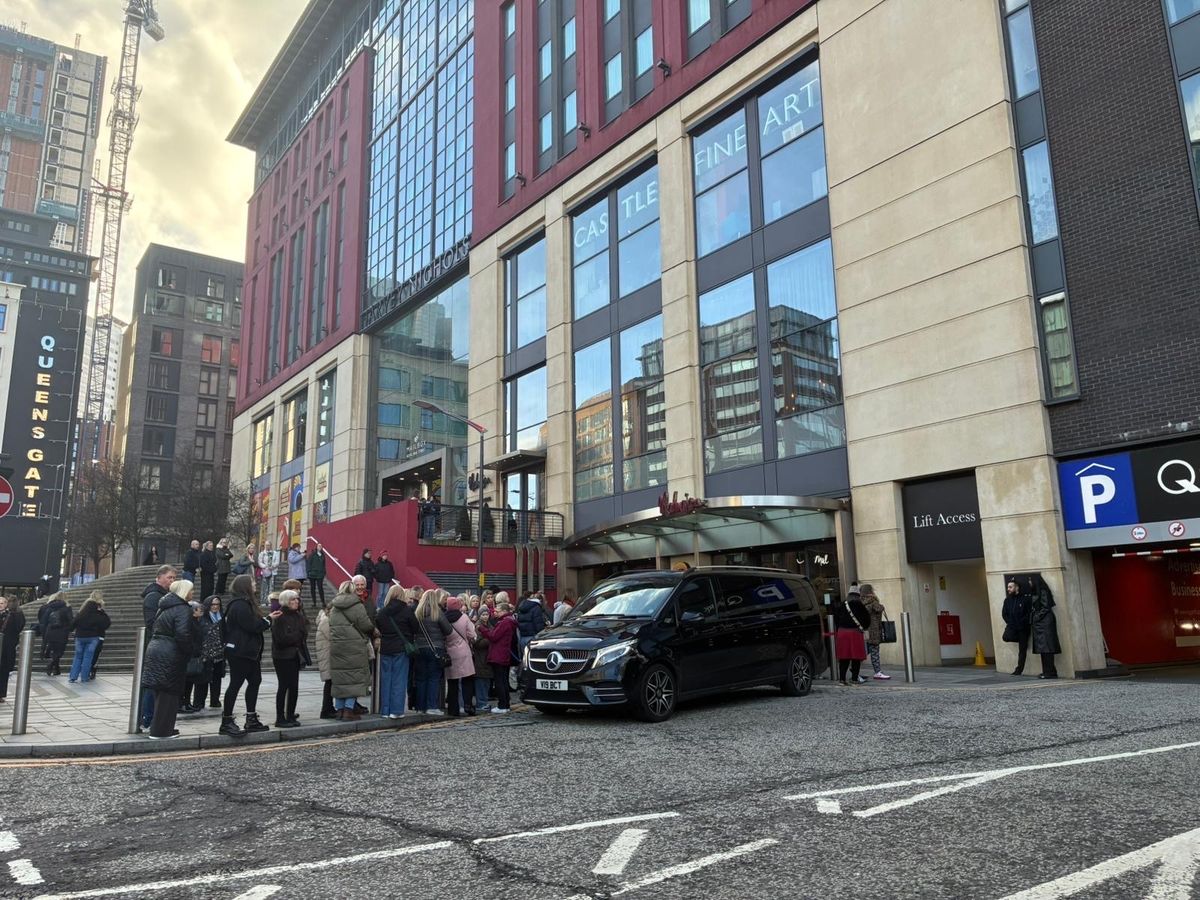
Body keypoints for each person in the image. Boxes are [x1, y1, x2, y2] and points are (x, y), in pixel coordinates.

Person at [221, 574, 282, 737]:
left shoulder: (245, 604)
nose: (255, 584)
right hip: (240, 651)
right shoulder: (239, 605)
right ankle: (226, 721)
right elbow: (252, 626)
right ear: (245, 586)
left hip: (249, 651)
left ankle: (251, 718)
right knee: (235, 684)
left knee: (255, 681)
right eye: (253, 582)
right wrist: (269, 620)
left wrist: (267, 619)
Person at [140, 579, 202, 740]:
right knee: (170, 693)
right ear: (183, 591)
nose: (192, 593)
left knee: (162, 692)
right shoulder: (182, 609)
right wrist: (189, 651)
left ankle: (159, 728)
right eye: (190, 590)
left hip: (157, 648)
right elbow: (183, 635)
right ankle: (161, 731)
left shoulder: (164, 607)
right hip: (171, 653)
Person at [328, 581, 375, 720]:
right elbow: (366, 625)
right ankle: (349, 710)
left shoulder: (334, 607)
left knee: (340, 678)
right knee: (354, 678)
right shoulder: (357, 605)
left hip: (337, 646)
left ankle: (340, 710)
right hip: (354, 646)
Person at [138, 565, 177, 731]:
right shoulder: (153, 597)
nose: (172, 581)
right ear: (160, 577)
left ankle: (153, 717)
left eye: (174, 578)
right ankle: (148, 718)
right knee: (152, 684)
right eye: (170, 577)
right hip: (156, 644)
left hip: (161, 644)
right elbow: (151, 623)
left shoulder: (164, 595)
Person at [377, 584, 418, 718]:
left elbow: (378, 626)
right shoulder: (407, 611)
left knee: (386, 679)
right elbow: (415, 628)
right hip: (401, 648)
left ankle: (385, 710)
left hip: (385, 648)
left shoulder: (382, 612)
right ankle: (396, 710)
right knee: (399, 680)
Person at [271, 589, 309, 727]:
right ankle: (280, 718)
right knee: (284, 686)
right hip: (282, 656)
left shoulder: (298, 616)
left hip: (295, 654)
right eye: (293, 600)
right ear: (286, 602)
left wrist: (296, 636)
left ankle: (291, 715)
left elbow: (304, 633)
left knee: (294, 687)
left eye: (297, 599)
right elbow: (281, 639)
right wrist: (296, 637)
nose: (296, 602)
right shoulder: (280, 616)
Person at [413, 588, 452, 715]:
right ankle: (432, 706)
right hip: (436, 648)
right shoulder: (437, 612)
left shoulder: (417, 613)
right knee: (434, 678)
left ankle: (420, 707)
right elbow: (448, 630)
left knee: (421, 678)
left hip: (419, 649)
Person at [478, 600, 517, 713]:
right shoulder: (509, 621)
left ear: (504, 611)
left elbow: (493, 636)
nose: (495, 613)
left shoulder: (504, 622)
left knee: (500, 681)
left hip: (498, 654)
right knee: (503, 680)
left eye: (497, 611)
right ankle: (506, 704)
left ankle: (502, 706)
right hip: (504, 654)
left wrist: (482, 629)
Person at [444, 596, 477, 717]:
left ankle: (453, 709)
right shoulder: (464, 617)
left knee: (452, 682)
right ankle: (468, 705)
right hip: (464, 651)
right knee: (467, 679)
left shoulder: (443, 618)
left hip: (450, 652)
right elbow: (471, 634)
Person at [69, 593, 110, 684]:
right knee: (88, 658)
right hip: (92, 637)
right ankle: (84, 677)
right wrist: (102, 612)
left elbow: (72, 625)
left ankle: (73, 677)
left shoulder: (81, 613)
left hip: (80, 637)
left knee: (78, 657)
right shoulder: (98, 613)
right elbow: (106, 624)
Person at [834, 588, 870, 686]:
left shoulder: (842, 605)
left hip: (842, 632)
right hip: (855, 633)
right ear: (858, 596)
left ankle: (842, 679)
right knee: (856, 657)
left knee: (844, 657)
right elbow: (867, 619)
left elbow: (836, 618)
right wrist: (864, 627)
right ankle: (854, 679)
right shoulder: (860, 606)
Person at [197, 596, 226, 709]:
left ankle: (215, 700)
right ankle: (199, 702)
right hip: (205, 654)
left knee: (216, 678)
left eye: (217, 604)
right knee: (202, 679)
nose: (215, 607)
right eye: (213, 604)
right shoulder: (202, 618)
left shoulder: (222, 618)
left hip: (219, 654)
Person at [1030, 578, 1061, 680]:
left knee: (1047, 648)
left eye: (1031, 580)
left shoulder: (1043, 591)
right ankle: (1048, 671)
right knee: (1044, 649)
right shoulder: (1038, 591)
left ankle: (1049, 672)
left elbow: (1046, 606)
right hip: (1041, 622)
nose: (1030, 582)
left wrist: (1036, 617)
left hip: (1045, 622)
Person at [1002, 580, 1034, 676]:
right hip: (1012, 627)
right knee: (1005, 637)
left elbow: (1028, 614)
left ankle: (1019, 669)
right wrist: (1010, 623)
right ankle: (1021, 641)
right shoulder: (1007, 600)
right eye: (1008, 587)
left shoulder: (1025, 599)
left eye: (1010, 587)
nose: (1008, 589)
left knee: (1022, 650)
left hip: (1023, 628)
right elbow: (1004, 614)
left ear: (1017, 587)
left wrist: (1022, 623)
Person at [861, 584, 892, 681]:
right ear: (870, 591)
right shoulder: (873, 601)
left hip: (865, 631)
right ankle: (877, 672)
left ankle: (854, 669)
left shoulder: (860, 602)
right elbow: (879, 608)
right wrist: (882, 606)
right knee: (874, 652)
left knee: (864, 651)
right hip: (874, 631)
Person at [39, 593, 72, 677]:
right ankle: (51, 665)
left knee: (55, 652)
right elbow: (70, 620)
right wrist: (69, 629)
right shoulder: (67, 608)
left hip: (50, 632)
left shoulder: (50, 607)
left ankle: (57, 670)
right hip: (62, 632)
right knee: (59, 652)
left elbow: (44, 620)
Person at [0, 597, 26, 702]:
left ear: (6, 604)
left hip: (6, 648)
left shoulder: (14, 615)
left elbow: (19, 626)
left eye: (2, 603)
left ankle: (1, 694)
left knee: (3, 671)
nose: (0, 605)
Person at [314, 600, 336, 719]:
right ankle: (326, 709)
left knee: (331, 682)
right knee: (329, 682)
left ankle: (329, 707)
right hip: (328, 655)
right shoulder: (326, 621)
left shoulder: (326, 619)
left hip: (328, 654)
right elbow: (332, 637)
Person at [516, 590, 546, 655]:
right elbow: (538, 624)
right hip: (533, 637)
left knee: (524, 659)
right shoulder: (536, 607)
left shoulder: (521, 607)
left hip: (522, 637)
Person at [306, 543, 328, 609]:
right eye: (319, 546)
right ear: (316, 547)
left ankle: (323, 602)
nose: (320, 547)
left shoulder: (323, 555)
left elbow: (324, 564)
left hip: (320, 574)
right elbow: (308, 563)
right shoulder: (312, 554)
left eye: (321, 546)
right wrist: (309, 572)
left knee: (320, 588)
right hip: (312, 574)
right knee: (313, 588)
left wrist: (324, 572)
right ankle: (314, 602)